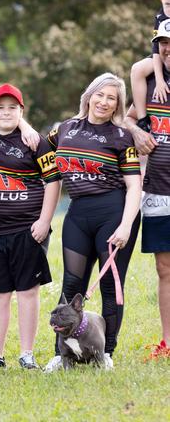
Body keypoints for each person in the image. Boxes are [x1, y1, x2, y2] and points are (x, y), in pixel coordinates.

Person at [44, 73, 142, 372]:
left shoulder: (122, 136)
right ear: (89, 96)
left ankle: (106, 352)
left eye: (111, 98)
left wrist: (126, 225)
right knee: (72, 285)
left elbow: (134, 186)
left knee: (111, 288)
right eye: (100, 95)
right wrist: (16, 124)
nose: (104, 102)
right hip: (77, 214)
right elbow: (34, 146)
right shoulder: (64, 129)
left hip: (113, 214)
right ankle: (63, 354)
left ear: (117, 105)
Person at [0, 84, 61, 371]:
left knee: (27, 290)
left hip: (27, 228)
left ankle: (26, 353)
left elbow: (53, 182)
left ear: (22, 111)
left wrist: (44, 222)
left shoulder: (36, 142)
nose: (6, 113)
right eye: (0, 108)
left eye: (14, 108)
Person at [125, 21, 170, 359]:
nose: (167, 48)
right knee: (164, 269)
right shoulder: (150, 82)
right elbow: (124, 119)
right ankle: (167, 343)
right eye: (162, 43)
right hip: (157, 190)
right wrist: (138, 131)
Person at [130, 0, 170, 127]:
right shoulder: (160, 17)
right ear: (161, 0)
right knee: (137, 69)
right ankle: (142, 119)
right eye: (168, 4)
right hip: (161, 53)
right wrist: (159, 80)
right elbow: (156, 49)